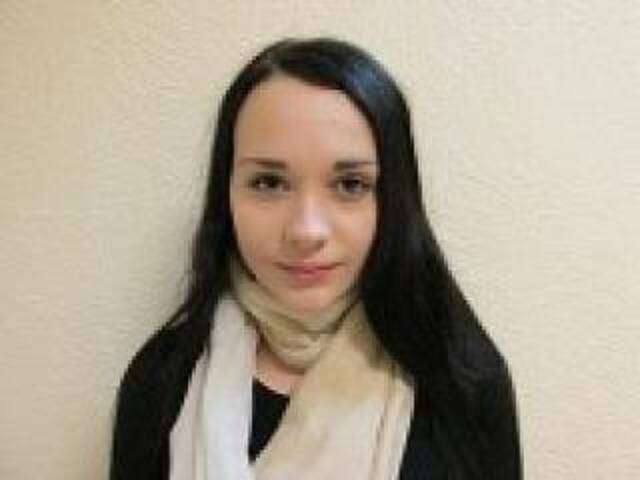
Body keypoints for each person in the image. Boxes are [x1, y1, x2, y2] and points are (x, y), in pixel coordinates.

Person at [109, 38, 522, 480]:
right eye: (269, 183)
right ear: (226, 195)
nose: (306, 231)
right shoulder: (161, 382)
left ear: (393, 200)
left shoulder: (465, 382)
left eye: (350, 185)